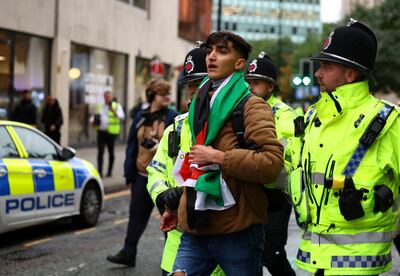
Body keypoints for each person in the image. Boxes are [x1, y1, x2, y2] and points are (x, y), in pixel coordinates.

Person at [286, 19, 400, 276]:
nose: (317, 73)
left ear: (351, 73)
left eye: (326, 66)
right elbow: (288, 170)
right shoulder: (313, 117)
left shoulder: (386, 120)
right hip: (314, 259)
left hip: (358, 263)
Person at [165, 31, 283, 275]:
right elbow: (194, 164)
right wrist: (176, 206)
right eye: (209, 51)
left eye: (222, 51)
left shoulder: (252, 105)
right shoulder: (199, 102)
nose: (212, 57)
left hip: (237, 229)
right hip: (196, 222)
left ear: (239, 64)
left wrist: (219, 157)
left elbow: (271, 163)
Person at [147, 43, 224, 275]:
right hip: (176, 246)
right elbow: (156, 170)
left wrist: (183, 193)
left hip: (219, 245)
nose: (192, 91)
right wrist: (163, 197)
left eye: (197, 83)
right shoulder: (177, 126)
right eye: (189, 85)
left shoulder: (227, 125)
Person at [107, 79, 178, 267]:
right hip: (141, 176)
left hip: (164, 180)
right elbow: (132, 145)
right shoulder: (141, 116)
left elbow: (177, 146)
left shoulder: (172, 117)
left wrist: (159, 148)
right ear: (152, 96)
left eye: (168, 94)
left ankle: (173, 261)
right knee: (136, 216)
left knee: (169, 221)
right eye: (163, 94)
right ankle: (128, 253)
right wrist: (128, 173)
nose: (167, 98)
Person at [245, 52, 298, 276]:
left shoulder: (285, 115)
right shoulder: (242, 108)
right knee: (249, 253)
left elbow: (291, 155)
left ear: (270, 86)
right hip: (249, 191)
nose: (250, 88)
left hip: (276, 193)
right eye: (248, 82)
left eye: (256, 83)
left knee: (272, 252)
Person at [93, 91, 125, 178]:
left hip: (111, 133)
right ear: (103, 97)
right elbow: (95, 116)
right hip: (101, 131)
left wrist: (114, 111)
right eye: (105, 97)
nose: (107, 98)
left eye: (108, 97)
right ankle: (99, 172)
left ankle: (109, 171)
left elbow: (122, 117)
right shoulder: (100, 106)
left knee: (111, 152)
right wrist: (93, 121)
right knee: (100, 152)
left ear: (111, 97)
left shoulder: (116, 106)